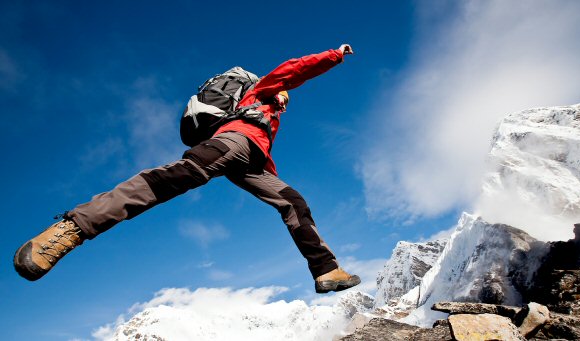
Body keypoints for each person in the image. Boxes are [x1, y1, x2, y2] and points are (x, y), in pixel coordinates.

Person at [14, 44, 361, 294]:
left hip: (252, 163)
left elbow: (261, 145)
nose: (286, 99)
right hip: (232, 143)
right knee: (173, 178)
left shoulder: (270, 119)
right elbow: (294, 69)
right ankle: (72, 228)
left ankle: (327, 270)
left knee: (293, 201)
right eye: (284, 95)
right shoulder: (261, 91)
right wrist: (334, 55)